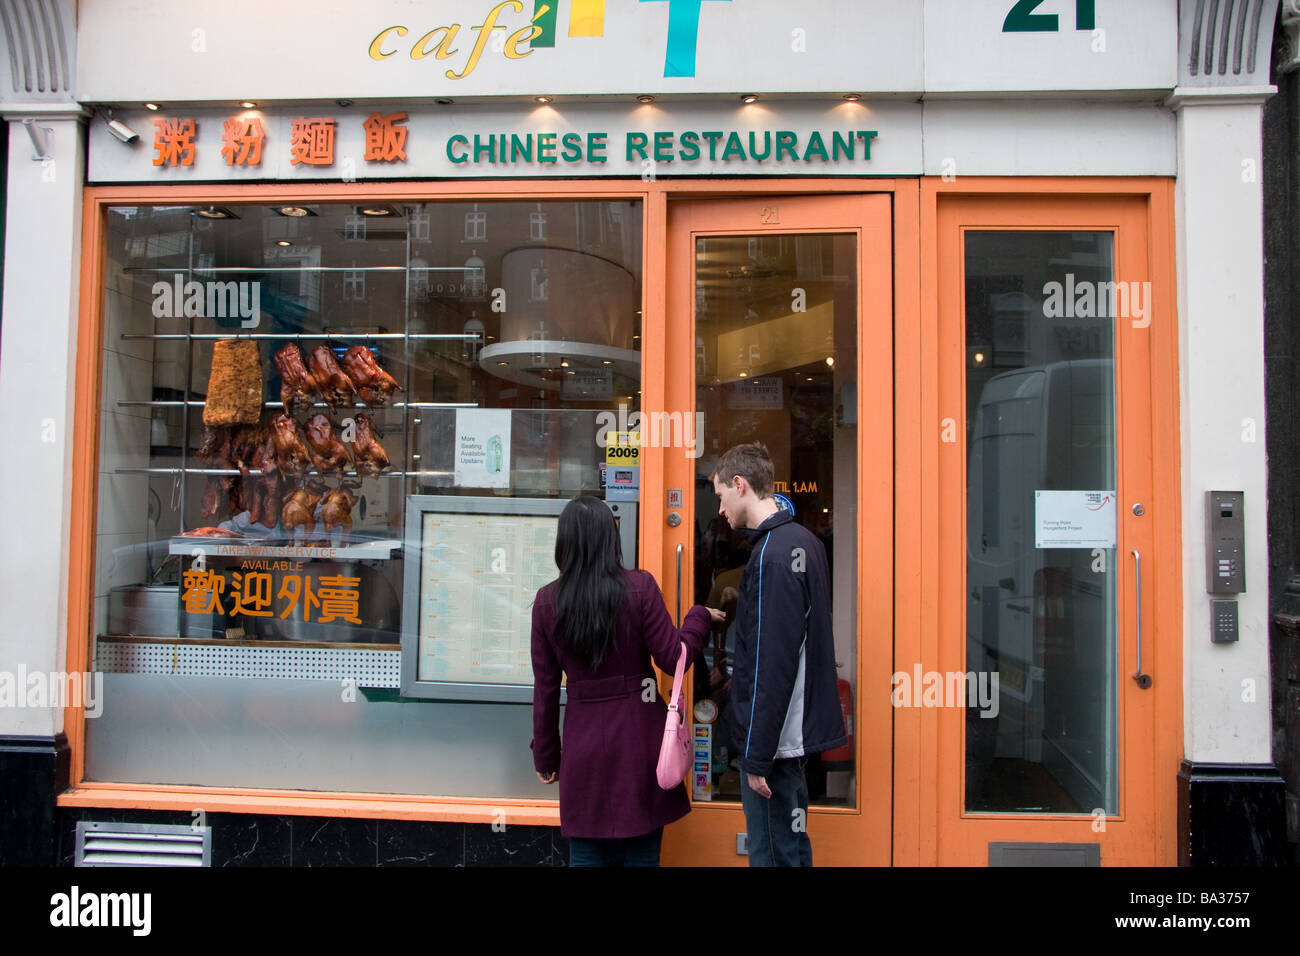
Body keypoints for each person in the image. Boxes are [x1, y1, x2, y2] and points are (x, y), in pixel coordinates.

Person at [530, 495, 725, 866]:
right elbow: (674, 657)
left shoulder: (546, 602)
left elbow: (546, 690)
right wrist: (698, 617)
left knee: (586, 854)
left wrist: (546, 756)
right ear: (610, 538)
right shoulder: (640, 588)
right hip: (638, 744)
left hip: (582, 749)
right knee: (641, 854)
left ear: (564, 542)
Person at [710, 442, 846, 867]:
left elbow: (773, 664)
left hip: (779, 745)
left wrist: (756, 756)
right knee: (790, 849)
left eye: (720, 496)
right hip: (791, 740)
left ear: (740, 485)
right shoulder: (802, 542)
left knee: (773, 854)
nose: (719, 510)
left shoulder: (773, 555)